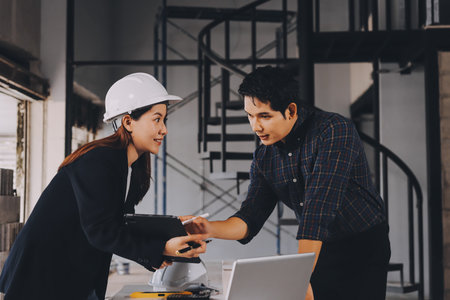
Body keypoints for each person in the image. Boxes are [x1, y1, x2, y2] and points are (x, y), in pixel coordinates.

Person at [182, 66, 390, 300]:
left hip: (363, 243)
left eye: (264, 116)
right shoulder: (264, 158)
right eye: (250, 115)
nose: (255, 126)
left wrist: (298, 279)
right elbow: (250, 216)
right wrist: (209, 228)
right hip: (321, 249)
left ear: (291, 111)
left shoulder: (333, 130)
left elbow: (318, 209)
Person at [0, 73, 208, 300]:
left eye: (164, 120)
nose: (164, 129)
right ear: (128, 122)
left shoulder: (121, 164)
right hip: (42, 280)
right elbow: (101, 232)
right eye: (157, 119)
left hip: (68, 276)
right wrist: (162, 248)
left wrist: (171, 228)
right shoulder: (99, 161)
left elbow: (118, 224)